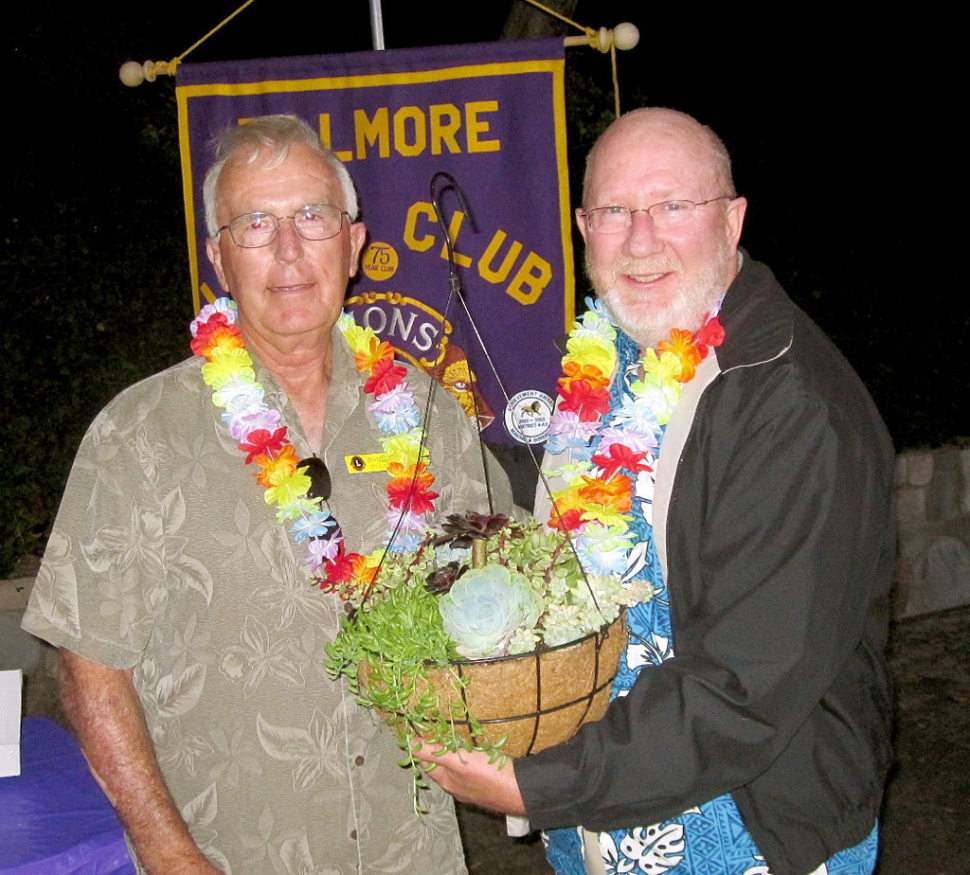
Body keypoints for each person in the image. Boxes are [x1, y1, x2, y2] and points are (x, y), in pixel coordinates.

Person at [22, 115, 513, 875]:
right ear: (219, 256)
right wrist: (167, 852)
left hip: (409, 850)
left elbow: (506, 591)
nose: (288, 249)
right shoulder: (139, 435)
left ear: (353, 244)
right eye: (256, 224)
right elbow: (91, 665)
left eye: (312, 217)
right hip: (226, 854)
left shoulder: (428, 417)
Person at [419, 107, 895, 875]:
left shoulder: (793, 405)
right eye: (614, 211)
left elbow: (746, 686)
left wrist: (536, 783)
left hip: (754, 842)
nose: (641, 240)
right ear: (582, 226)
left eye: (673, 206)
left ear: (733, 220)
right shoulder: (604, 361)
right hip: (596, 835)